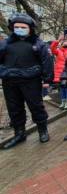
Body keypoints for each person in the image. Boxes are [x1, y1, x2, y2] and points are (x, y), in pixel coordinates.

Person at [0, 14, 53, 149]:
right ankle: (19, 133)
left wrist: (47, 80)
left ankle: (43, 130)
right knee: (14, 108)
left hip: (31, 81)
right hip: (9, 81)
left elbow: (47, 62)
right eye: (16, 27)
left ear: (30, 28)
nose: (19, 29)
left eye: (23, 27)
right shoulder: (5, 44)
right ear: (12, 27)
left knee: (36, 106)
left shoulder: (38, 44)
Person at [50, 33, 67, 110]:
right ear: (61, 43)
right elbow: (52, 49)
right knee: (62, 88)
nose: (66, 42)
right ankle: (63, 102)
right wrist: (58, 40)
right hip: (60, 73)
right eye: (64, 41)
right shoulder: (58, 51)